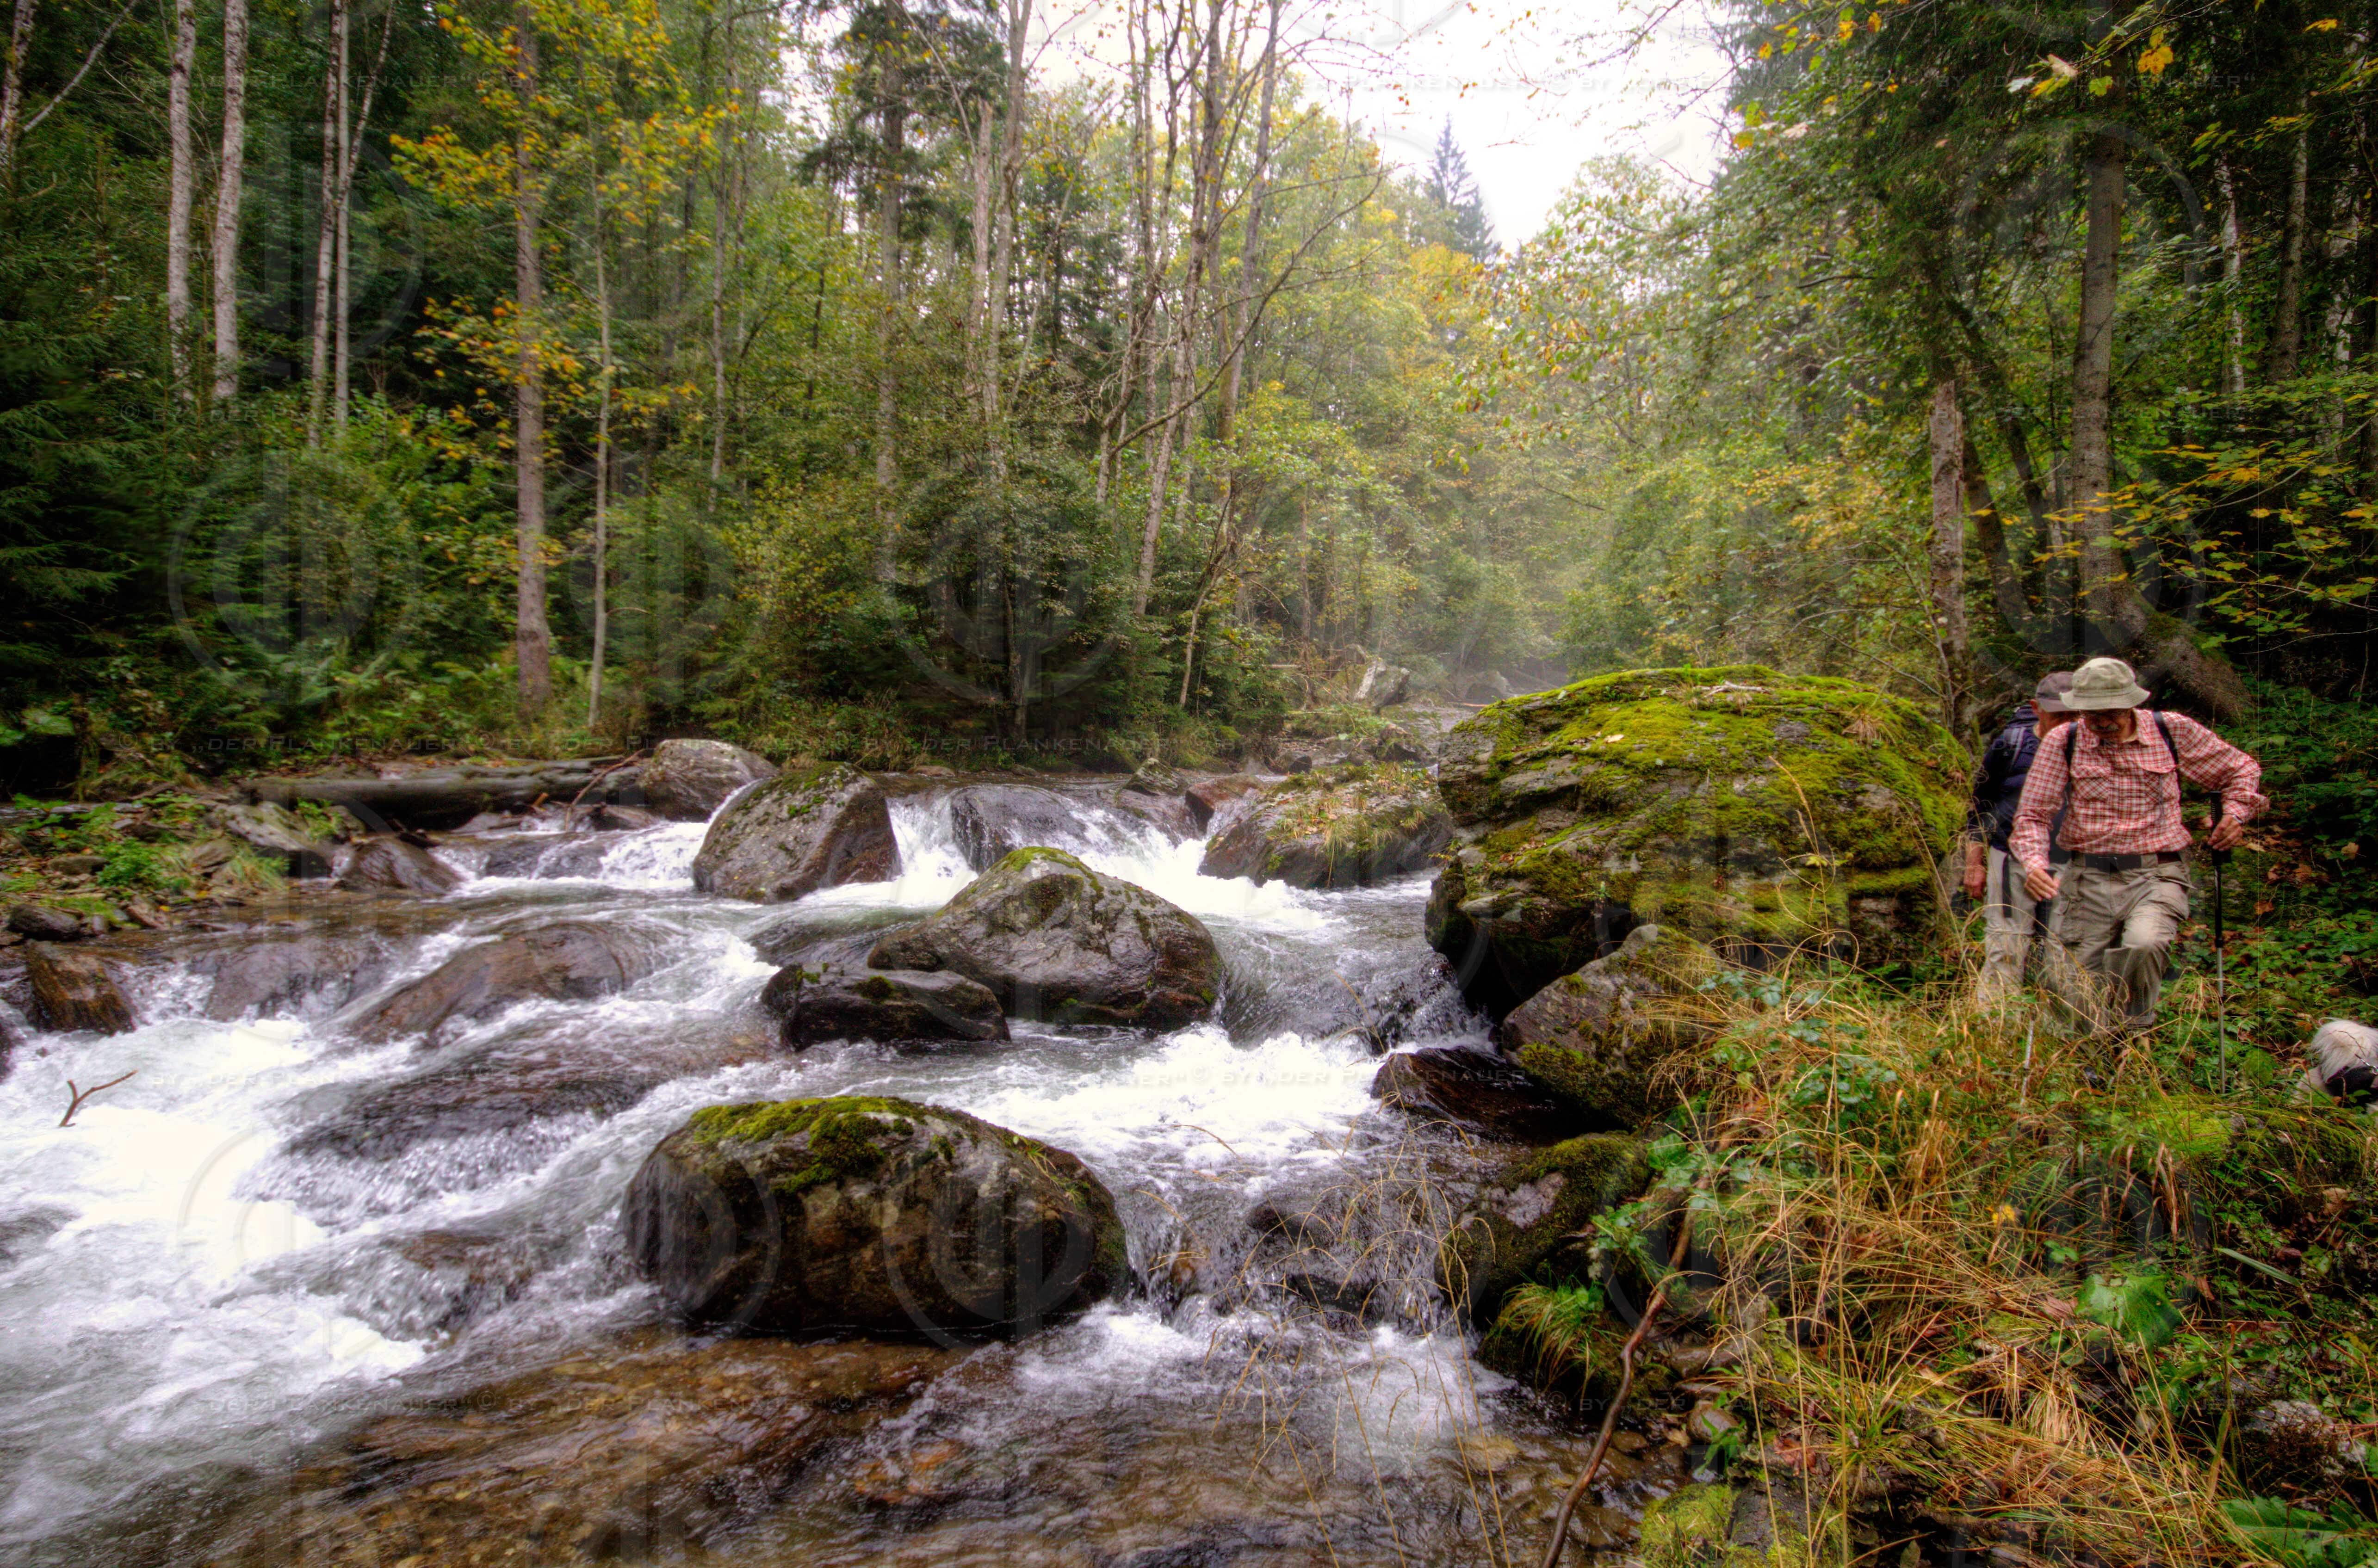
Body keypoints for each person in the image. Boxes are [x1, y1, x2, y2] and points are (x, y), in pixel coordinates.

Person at [2009, 656, 2266, 1036]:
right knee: (2077, 987)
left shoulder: (2170, 730)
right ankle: (2094, 1061)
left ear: (2132, 704)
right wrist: (2034, 864)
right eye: (2092, 714)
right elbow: (2032, 814)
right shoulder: (2065, 741)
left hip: (2157, 871)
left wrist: (2235, 813)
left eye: (2112, 712)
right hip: (2088, 878)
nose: (2103, 723)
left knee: (2145, 944)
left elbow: (2240, 768)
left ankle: (2131, 1034)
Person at [1961, 672, 2077, 1005]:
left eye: (2075, 715)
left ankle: (2060, 1034)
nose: (2068, 724)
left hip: (2073, 863)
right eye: (2060, 716)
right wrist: (1975, 863)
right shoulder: (2010, 746)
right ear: (2036, 708)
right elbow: (1980, 805)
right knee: (2006, 945)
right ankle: (1996, 1029)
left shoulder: (2094, 748)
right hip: (2009, 859)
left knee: (2063, 949)